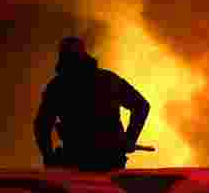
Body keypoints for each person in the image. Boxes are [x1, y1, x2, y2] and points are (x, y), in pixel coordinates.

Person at [34, 37, 150, 172]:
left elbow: (42, 125)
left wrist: (49, 157)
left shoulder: (58, 86)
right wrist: (129, 139)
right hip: (106, 160)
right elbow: (141, 105)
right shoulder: (108, 79)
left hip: (80, 161)